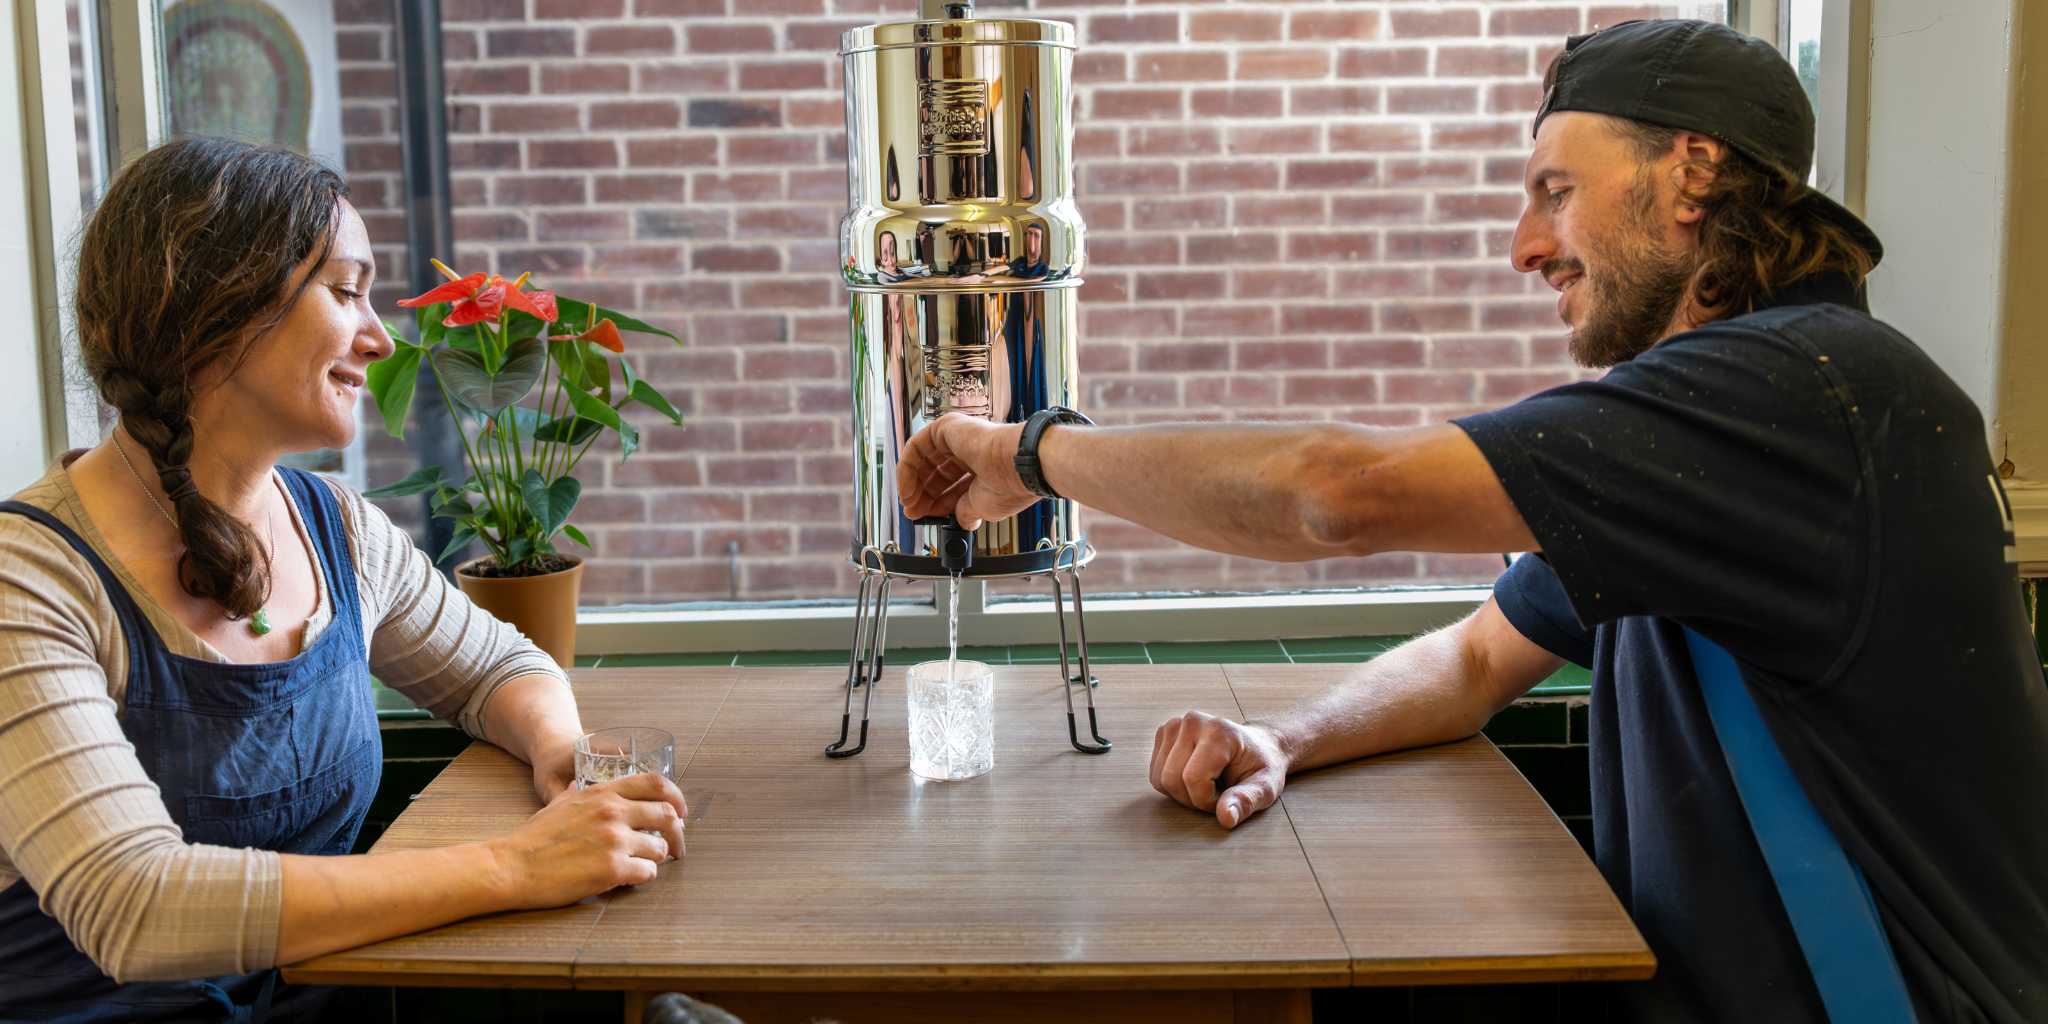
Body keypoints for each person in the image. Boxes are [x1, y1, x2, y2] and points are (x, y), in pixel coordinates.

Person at [896, 20, 2048, 1023]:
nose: (1524, 243)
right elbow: (1478, 654)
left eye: (1556, 188)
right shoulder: (1734, 423)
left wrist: (1023, 453)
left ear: (1691, 174)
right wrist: (1286, 738)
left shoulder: (1796, 393)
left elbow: (1333, 493)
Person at [0, 137, 687, 1021]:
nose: (379, 336)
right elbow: (135, 906)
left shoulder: (337, 529)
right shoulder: (30, 580)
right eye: (346, 291)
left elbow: (500, 668)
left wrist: (560, 751)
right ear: (217, 308)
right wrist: (516, 865)